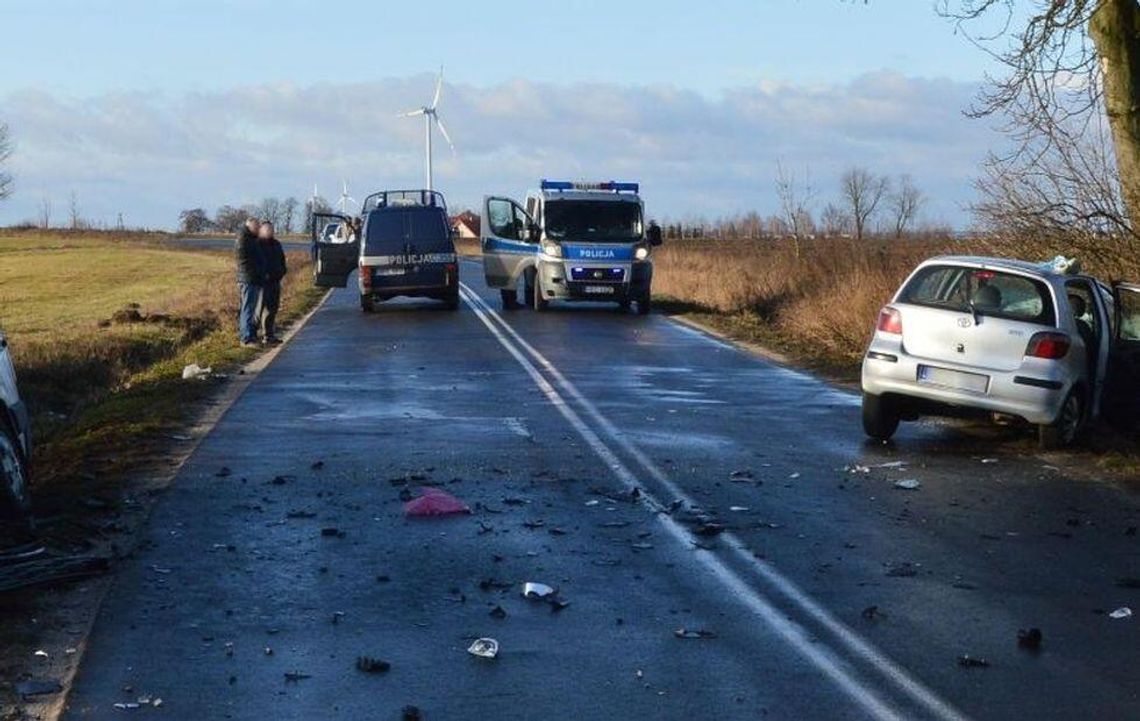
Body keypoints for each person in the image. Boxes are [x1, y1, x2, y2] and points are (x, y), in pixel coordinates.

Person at [234, 217, 266, 347]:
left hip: (251, 278)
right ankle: (246, 338)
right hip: (248, 279)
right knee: (247, 309)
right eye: (257, 227)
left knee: (249, 309)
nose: (259, 229)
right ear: (251, 226)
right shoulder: (245, 240)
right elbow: (249, 261)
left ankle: (249, 335)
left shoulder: (249, 239)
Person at [257, 221, 287, 345]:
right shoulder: (258, 244)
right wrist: (264, 275)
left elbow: (282, 259)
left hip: (275, 280)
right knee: (259, 310)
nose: (270, 231)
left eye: (271, 229)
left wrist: (282, 271)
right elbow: (256, 263)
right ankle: (254, 336)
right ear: (261, 230)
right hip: (263, 282)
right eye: (267, 229)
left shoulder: (276, 244)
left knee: (272, 309)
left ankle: (269, 335)